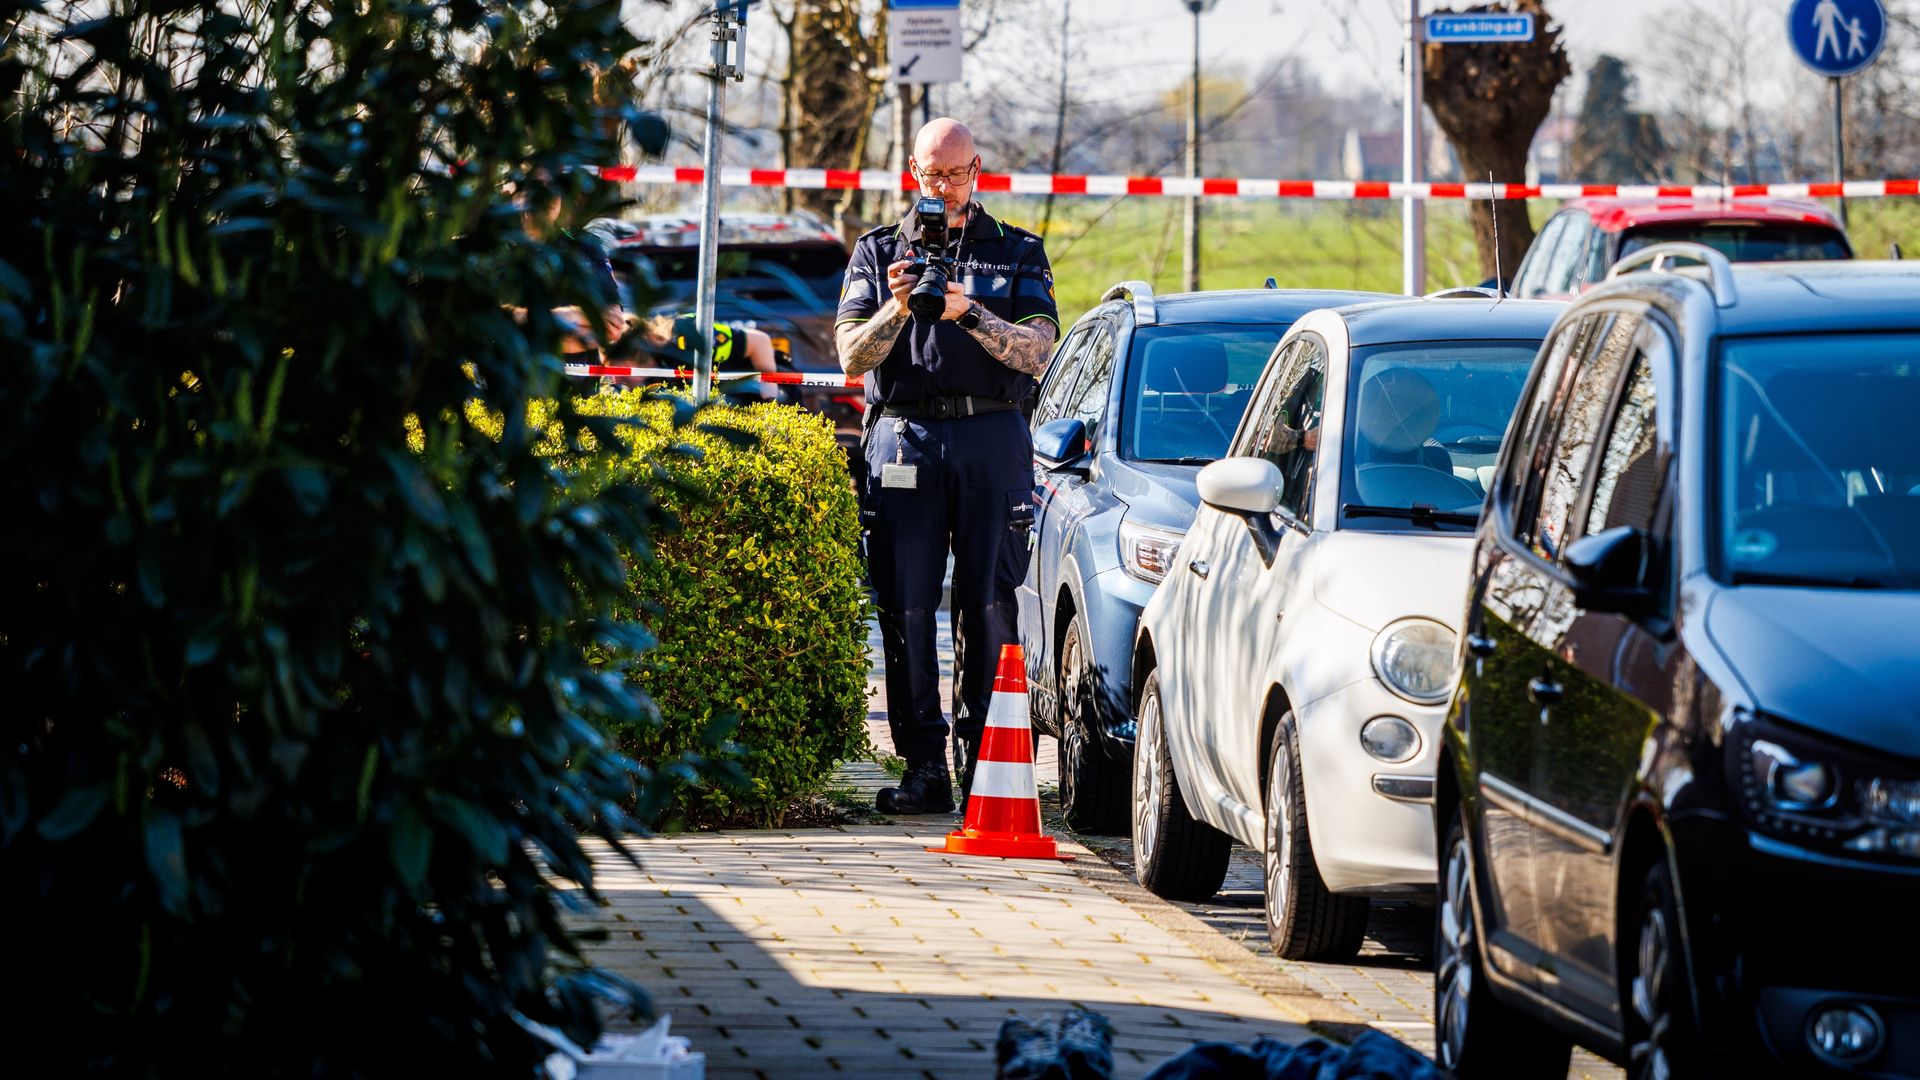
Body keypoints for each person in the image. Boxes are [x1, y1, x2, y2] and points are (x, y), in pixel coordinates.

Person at [836, 118, 1060, 815]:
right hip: (905, 436)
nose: (943, 187)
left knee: (988, 601)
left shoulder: (1018, 250)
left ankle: (985, 765)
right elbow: (850, 355)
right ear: (913, 171)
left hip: (991, 435)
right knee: (904, 602)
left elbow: (1039, 352)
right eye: (932, 174)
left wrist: (969, 313)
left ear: (977, 170)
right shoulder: (879, 251)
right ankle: (924, 768)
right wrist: (898, 310)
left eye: (955, 174)